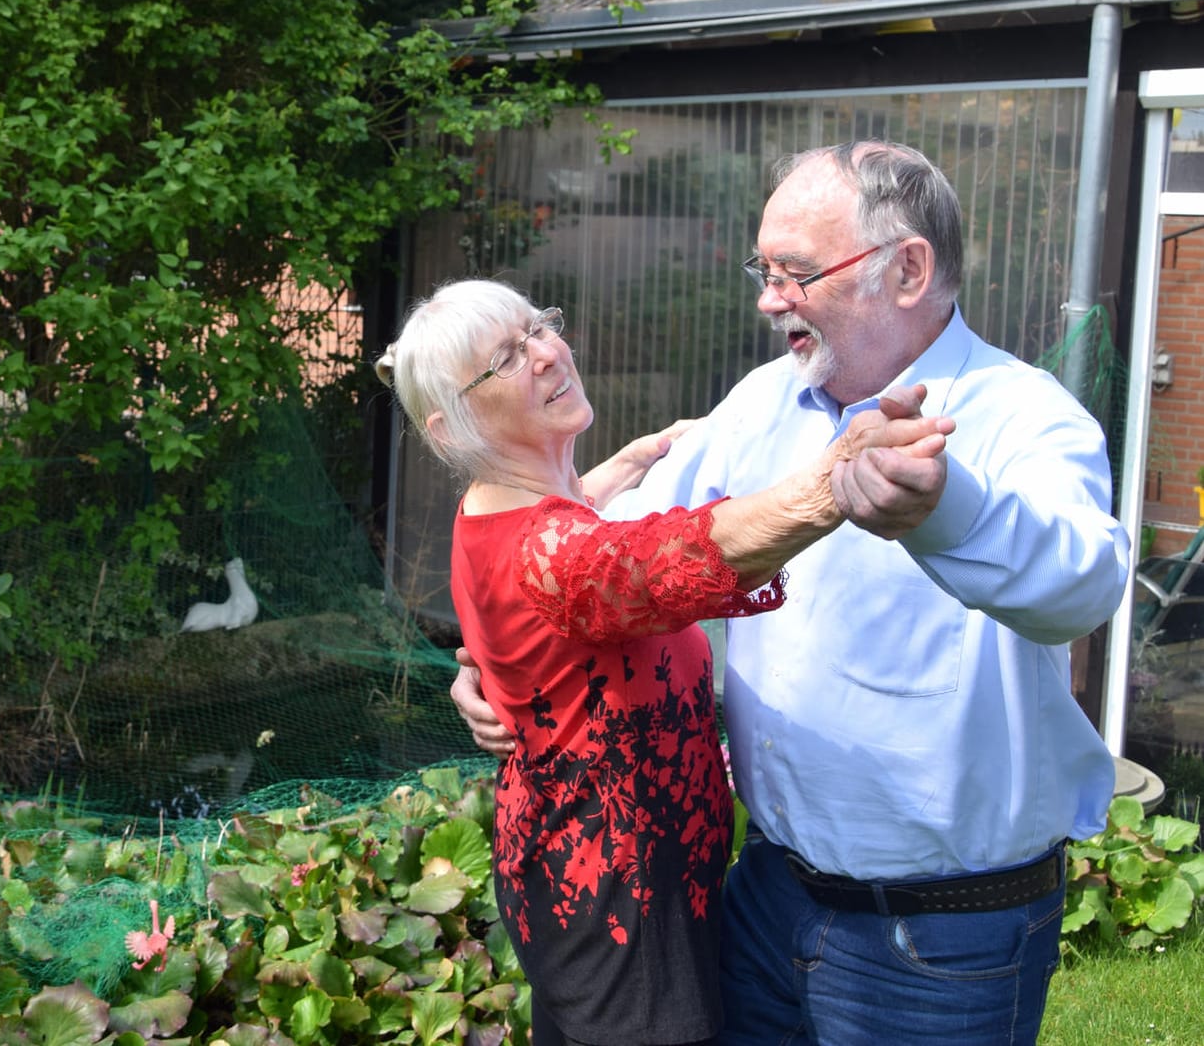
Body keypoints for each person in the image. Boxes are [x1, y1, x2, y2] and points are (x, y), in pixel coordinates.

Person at [449, 141, 1131, 1044]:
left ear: (908, 269)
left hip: (939, 934)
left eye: (796, 273)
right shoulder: (765, 402)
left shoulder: (1024, 415)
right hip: (766, 900)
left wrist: (944, 504)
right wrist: (498, 662)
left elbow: (1080, 588)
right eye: (762, 270)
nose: (769, 299)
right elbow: (619, 563)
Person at [377, 277, 953, 1046]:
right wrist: (837, 479)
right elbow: (670, 558)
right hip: (620, 903)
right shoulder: (553, 552)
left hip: (585, 872)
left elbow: (567, 530)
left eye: (538, 328)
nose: (548, 354)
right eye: (506, 359)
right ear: (454, 430)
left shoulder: (505, 505)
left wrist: (637, 459)